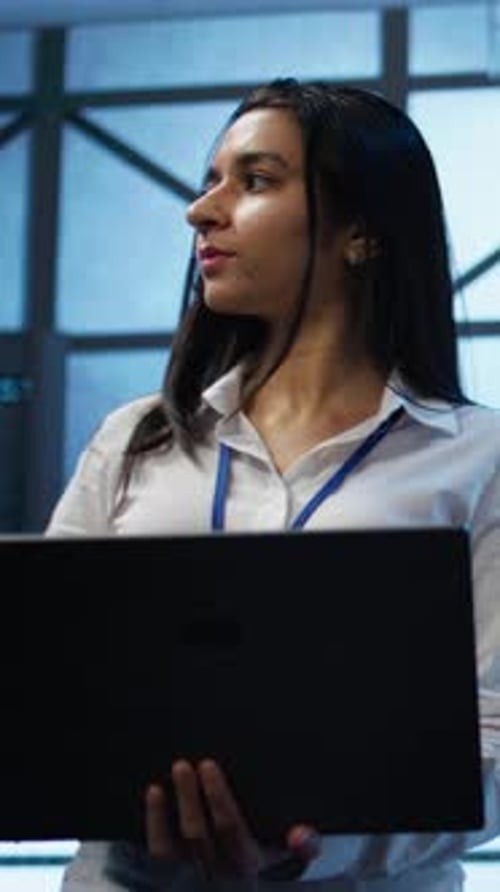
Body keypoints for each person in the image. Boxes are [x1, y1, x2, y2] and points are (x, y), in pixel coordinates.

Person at [46, 76, 500, 892]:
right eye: (209, 181)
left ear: (360, 232)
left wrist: (297, 849)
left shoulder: (482, 459)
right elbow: (38, 690)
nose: (202, 211)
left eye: (254, 181)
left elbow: (491, 744)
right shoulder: (134, 440)